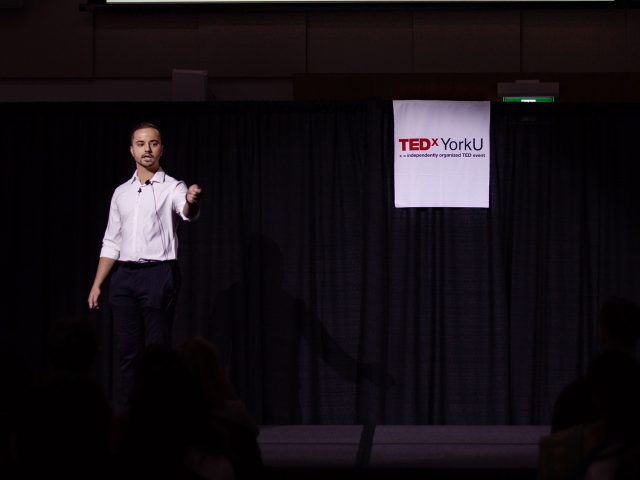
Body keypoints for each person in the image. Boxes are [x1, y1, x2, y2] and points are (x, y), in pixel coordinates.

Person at [87, 122, 202, 408]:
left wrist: (191, 201)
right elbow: (111, 241)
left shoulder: (173, 186)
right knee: (127, 351)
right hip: (124, 277)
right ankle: (130, 413)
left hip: (158, 274)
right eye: (140, 144)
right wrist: (98, 284)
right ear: (131, 150)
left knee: (157, 351)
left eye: (153, 143)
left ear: (161, 148)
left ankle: (159, 412)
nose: (147, 149)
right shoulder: (121, 193)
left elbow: (186, 212)